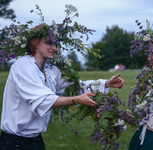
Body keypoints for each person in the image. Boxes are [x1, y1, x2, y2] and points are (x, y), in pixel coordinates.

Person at [0, 18, 124, 150]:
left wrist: (105, 84)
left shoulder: (51, 70)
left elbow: (76, 87)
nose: (54, 48)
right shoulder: (23, 66)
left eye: (55, 43)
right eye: (49, 43)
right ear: (35, 44)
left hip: (36, 141)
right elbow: (42, 100)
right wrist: (75, 100)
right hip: (14, 143)